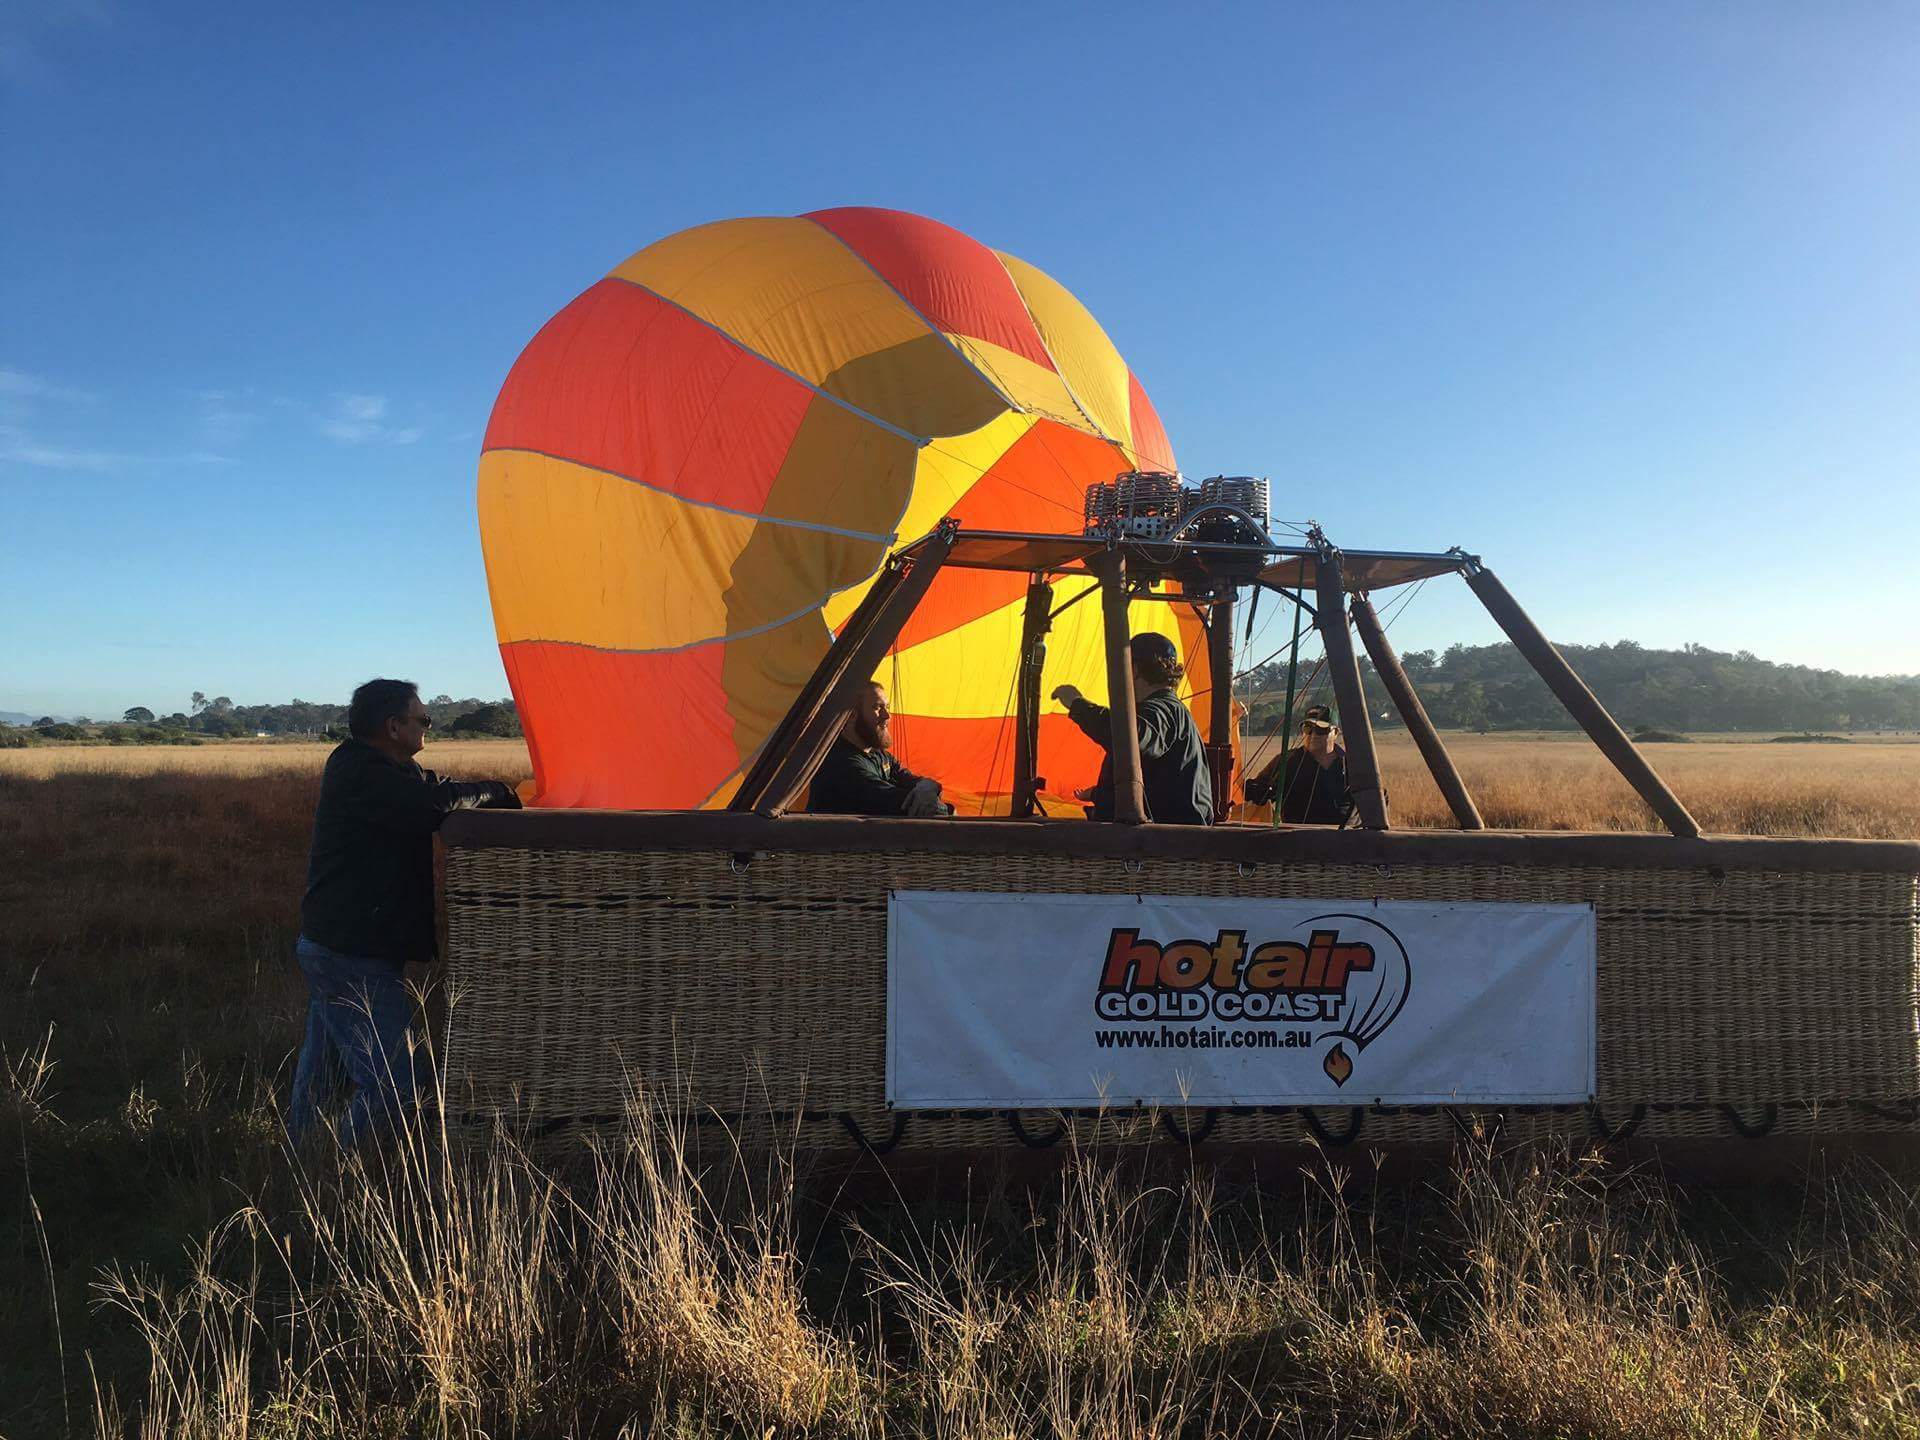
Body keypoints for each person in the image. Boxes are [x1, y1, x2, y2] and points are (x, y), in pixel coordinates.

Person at [290, 679, 522, 1143]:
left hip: (338, 945)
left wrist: (489, 792)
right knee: (398, 1084)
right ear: (394, 726)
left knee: (323, 1078)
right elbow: (428, 805)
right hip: (351, 953)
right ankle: (337, 1169)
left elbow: (436, 788)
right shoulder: (360, 771)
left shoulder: (386, 769)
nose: (427, 727)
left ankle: (303, 1163)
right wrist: (499, 791)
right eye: (424, 719)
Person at [1051, 632, 1212, 825]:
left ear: (1133, 669)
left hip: (1165, 846)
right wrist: (1098, 794)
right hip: (1172, 837)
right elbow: (1154, 781)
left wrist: (1078, 706)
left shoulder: (1162, 710)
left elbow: (1133, 738)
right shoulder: (1171, 710)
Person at [807, 681, 953, 816]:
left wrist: (929, 786)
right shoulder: (839, 763)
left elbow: (909, 779)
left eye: (887, 707)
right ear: (851, 715)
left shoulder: (879, 755)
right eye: (877, 707)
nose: (887, 715)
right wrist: (945, 808)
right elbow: (898, 801)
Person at [1244, 705, 1353, 825]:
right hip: (1297, 838)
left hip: (1342, 838)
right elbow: (1259, 795)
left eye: (1321, 729)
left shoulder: (1352, 764)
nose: (1314, 734)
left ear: (1336, 732)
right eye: (1308, 728)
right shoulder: (1287, 761)